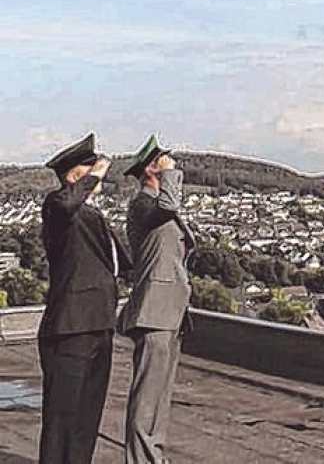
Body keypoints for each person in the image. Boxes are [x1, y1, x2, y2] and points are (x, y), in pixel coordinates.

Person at [38, 132, 132, 464]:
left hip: (98, 324)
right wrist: (95, 176)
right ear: (75, 173)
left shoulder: (91, 215)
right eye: (90, 167)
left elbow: (122, 262)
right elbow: (66, 203)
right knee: (63, 417)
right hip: (70, 327)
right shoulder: (57, 206)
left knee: (86, 417)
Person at [119, 135, 195, 464]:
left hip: (168, 310)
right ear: (151, 167)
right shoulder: (144, 203)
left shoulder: (153, 205)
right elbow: (169, 206)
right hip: (154, 311)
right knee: (148, 398)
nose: (169, 164)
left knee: (159, 397)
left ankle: (153, 457)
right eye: (162, 160)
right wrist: (170, 174)